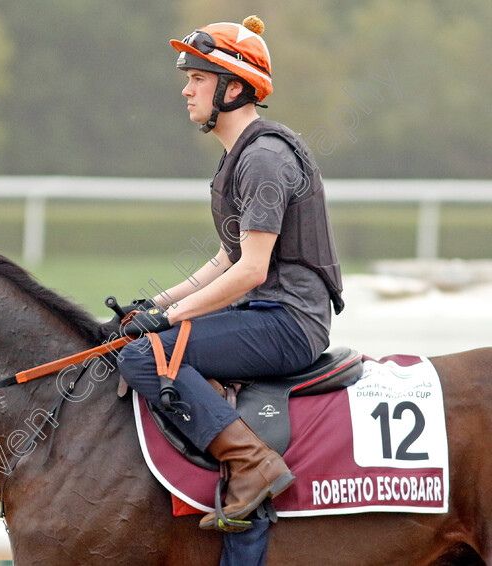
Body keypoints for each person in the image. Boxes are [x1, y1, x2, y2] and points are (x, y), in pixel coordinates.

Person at [116, 15, 344, 529]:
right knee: (148, 336)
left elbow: (252, 271)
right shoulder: (239, 157)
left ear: (234, 87)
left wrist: (167, 320)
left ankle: (251, 463)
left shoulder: (264, 159)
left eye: (197, 79)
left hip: (289, 323)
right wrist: (155, 305)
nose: (186, 90)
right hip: (266, 315)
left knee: (147, 357)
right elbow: (226, 259)